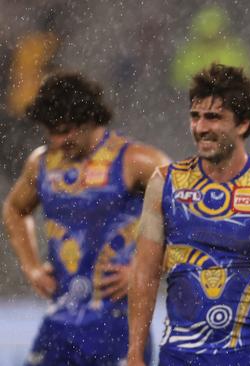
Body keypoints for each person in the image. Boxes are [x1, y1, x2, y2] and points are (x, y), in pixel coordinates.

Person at [127, 63, 250, 366]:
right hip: (180, 355)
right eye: (196, 116)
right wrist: (135, 353)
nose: (201, 127)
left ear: (242, 124)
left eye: (214, 117)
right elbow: (145, 273)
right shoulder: (164, 183)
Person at [2, 72, 169, 365]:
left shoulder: (136, 161)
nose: (58, 140)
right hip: (60, 324)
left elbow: (189, 215)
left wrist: (147, 269)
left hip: (118, 323)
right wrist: (31, 268)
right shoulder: (41, 163)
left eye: (66, 130)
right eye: (51, 132)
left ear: (90, 119)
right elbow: (15, 210)